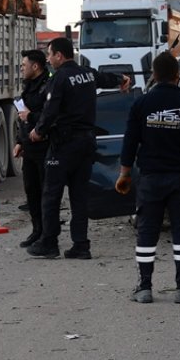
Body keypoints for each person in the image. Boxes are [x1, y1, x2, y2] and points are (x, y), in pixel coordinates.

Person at [114, 52, 180, 303]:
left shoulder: (141, 105)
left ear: (153, 75)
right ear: (178, 76)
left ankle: (144, 287)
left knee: (147, 232)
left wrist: (124, 174)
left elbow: (129, 143)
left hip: (150, 179)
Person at [25, 37, 130, 259]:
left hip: (64, 145)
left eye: (50, 55)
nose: (49, 59)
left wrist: (37, 131)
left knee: (51, 194)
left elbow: (50, 111)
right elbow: (105, 78)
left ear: (59, 56)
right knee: (79, 196)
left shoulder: (59, 78)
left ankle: (49, 243)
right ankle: (81, 245)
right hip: (86, 144)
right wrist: (122, 78)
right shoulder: (87, 73)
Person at [12, 49, 52, 247]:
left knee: (46, 192)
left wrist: (31, 117)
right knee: (31, 191)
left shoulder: (48, 86)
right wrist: (20, 141)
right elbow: (23, 118)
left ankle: (48, 234)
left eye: (24, 65)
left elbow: (49, 115)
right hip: (30, 147)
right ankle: (37, 231)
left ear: (35, 67)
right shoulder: (29, 86)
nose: (21, 68)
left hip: (45, 146)